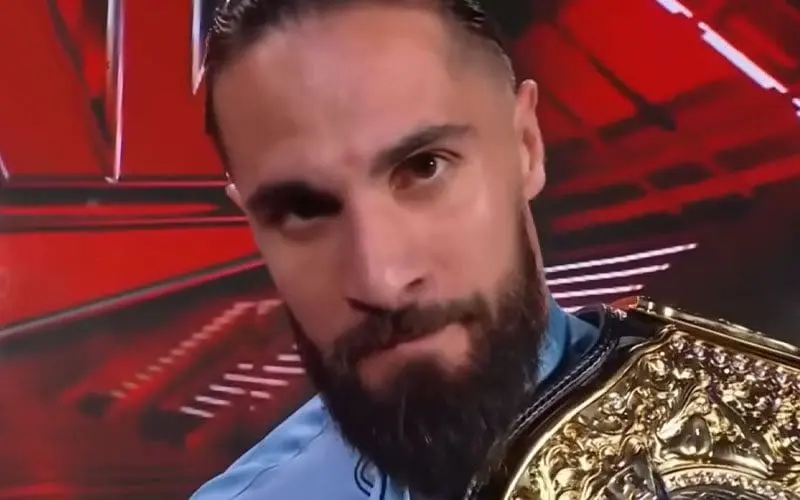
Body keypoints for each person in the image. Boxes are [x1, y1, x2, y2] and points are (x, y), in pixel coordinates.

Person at [189, 1, 800, 499]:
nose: (381, 278)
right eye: (301, 208)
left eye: (424, 167)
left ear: (526, 144)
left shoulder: (775, 430)